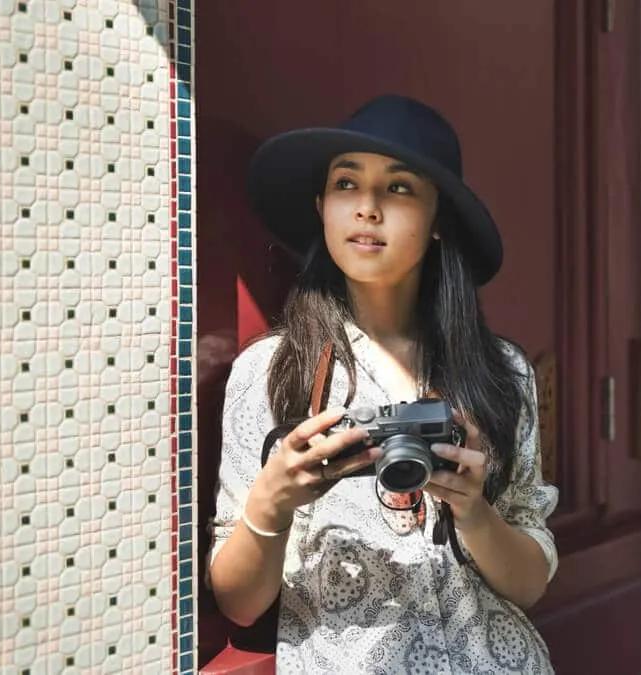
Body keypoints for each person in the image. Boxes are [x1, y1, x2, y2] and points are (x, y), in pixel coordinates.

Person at [208, 95, 559, 673]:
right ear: (322, 205)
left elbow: (527, 586)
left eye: (398, 188)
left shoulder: (502, 371)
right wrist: (271, 503)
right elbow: (239, 605)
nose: (367, 208)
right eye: (347, 184)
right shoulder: (272, 373)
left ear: (439, 219)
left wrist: (473, 511)